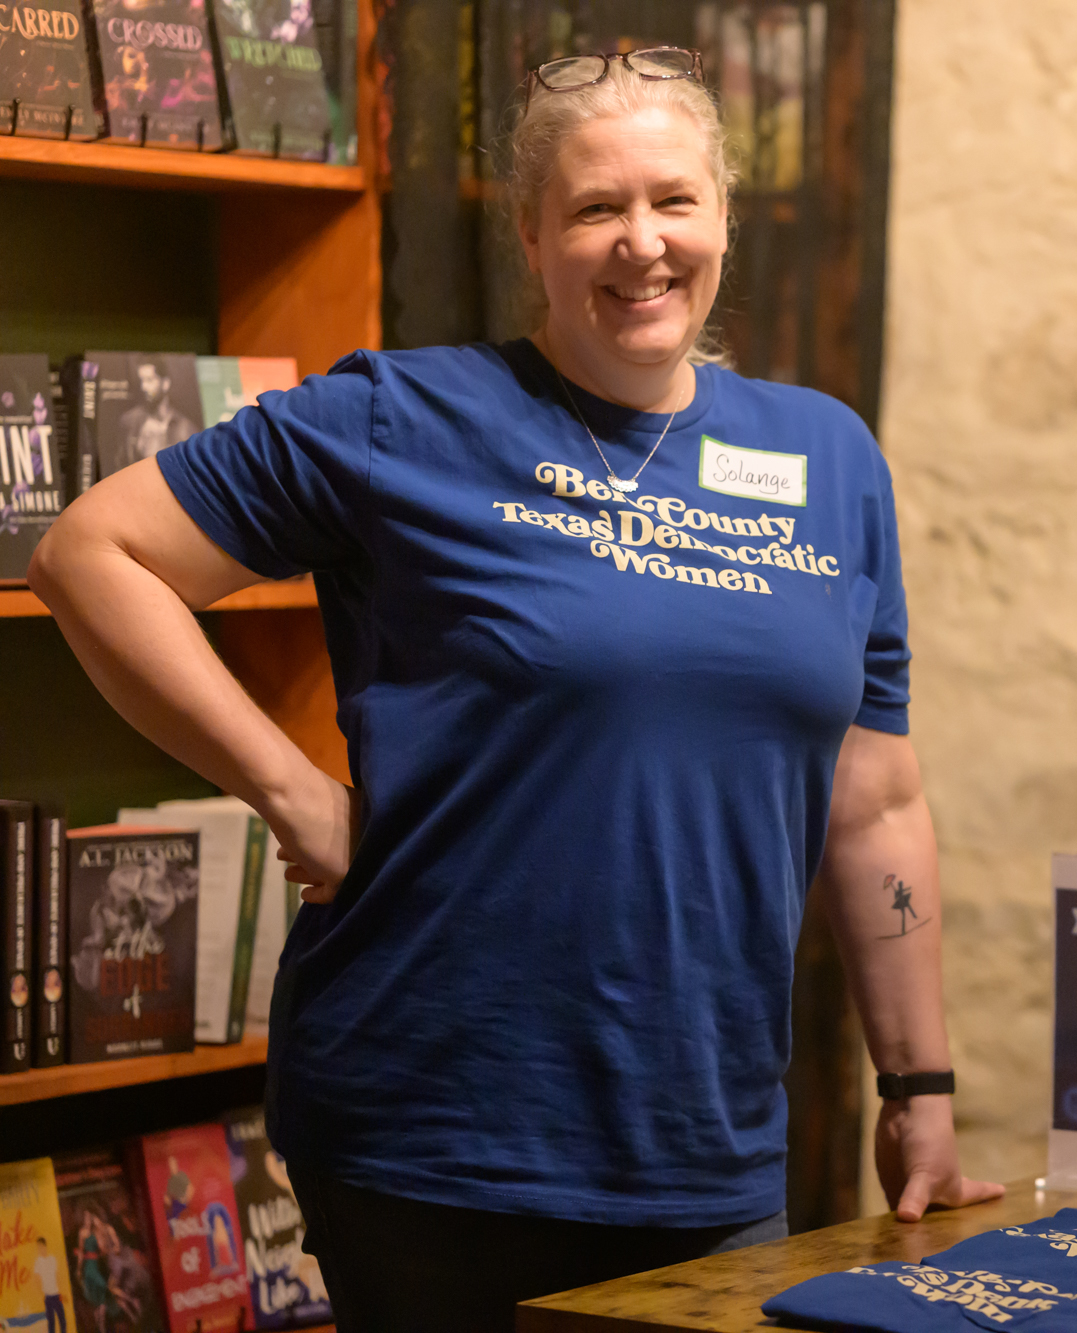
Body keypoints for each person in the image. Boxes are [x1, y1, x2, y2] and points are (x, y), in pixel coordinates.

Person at [28, 45, 999, 1332]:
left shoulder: (827, 456)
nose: (641, 244)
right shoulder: (403, 419)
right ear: (532, 238)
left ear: (721, 216)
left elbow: (872, 800)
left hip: (705, 1143)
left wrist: (916, 1085)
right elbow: (90, 552)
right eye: (596, 209)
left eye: (674, 201)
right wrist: (290, 793)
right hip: (437, 1136)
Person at [110, 359, 193, 474]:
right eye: (141, 381)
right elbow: (118, 468)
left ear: (165, 384)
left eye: (149, 380)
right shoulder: (129, 421)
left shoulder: (186, 428)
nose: (143, 387)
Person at [33, 1237, 66, 1333]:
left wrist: (60, 1291)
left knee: (62, 1319)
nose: (39, 1249)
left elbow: (57, 1276)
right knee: (51, 1322)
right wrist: (41, 1293)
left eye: (41, 1247)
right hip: (47, 1296)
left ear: (45, 1246)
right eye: (38, 1247)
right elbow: (36, 1279)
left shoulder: (52, 1259)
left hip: (57, 1294)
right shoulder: (38, 1262)